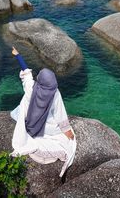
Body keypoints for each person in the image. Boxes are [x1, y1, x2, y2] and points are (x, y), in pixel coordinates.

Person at [10, 46, 76, 177]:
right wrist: (67, 131)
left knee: (25, 102)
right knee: (65, 139)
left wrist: (18, 55)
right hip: (48, 128)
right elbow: (60, 114)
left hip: (30, 124)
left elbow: (26, 72)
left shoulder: (31, 87)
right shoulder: (55, 93)